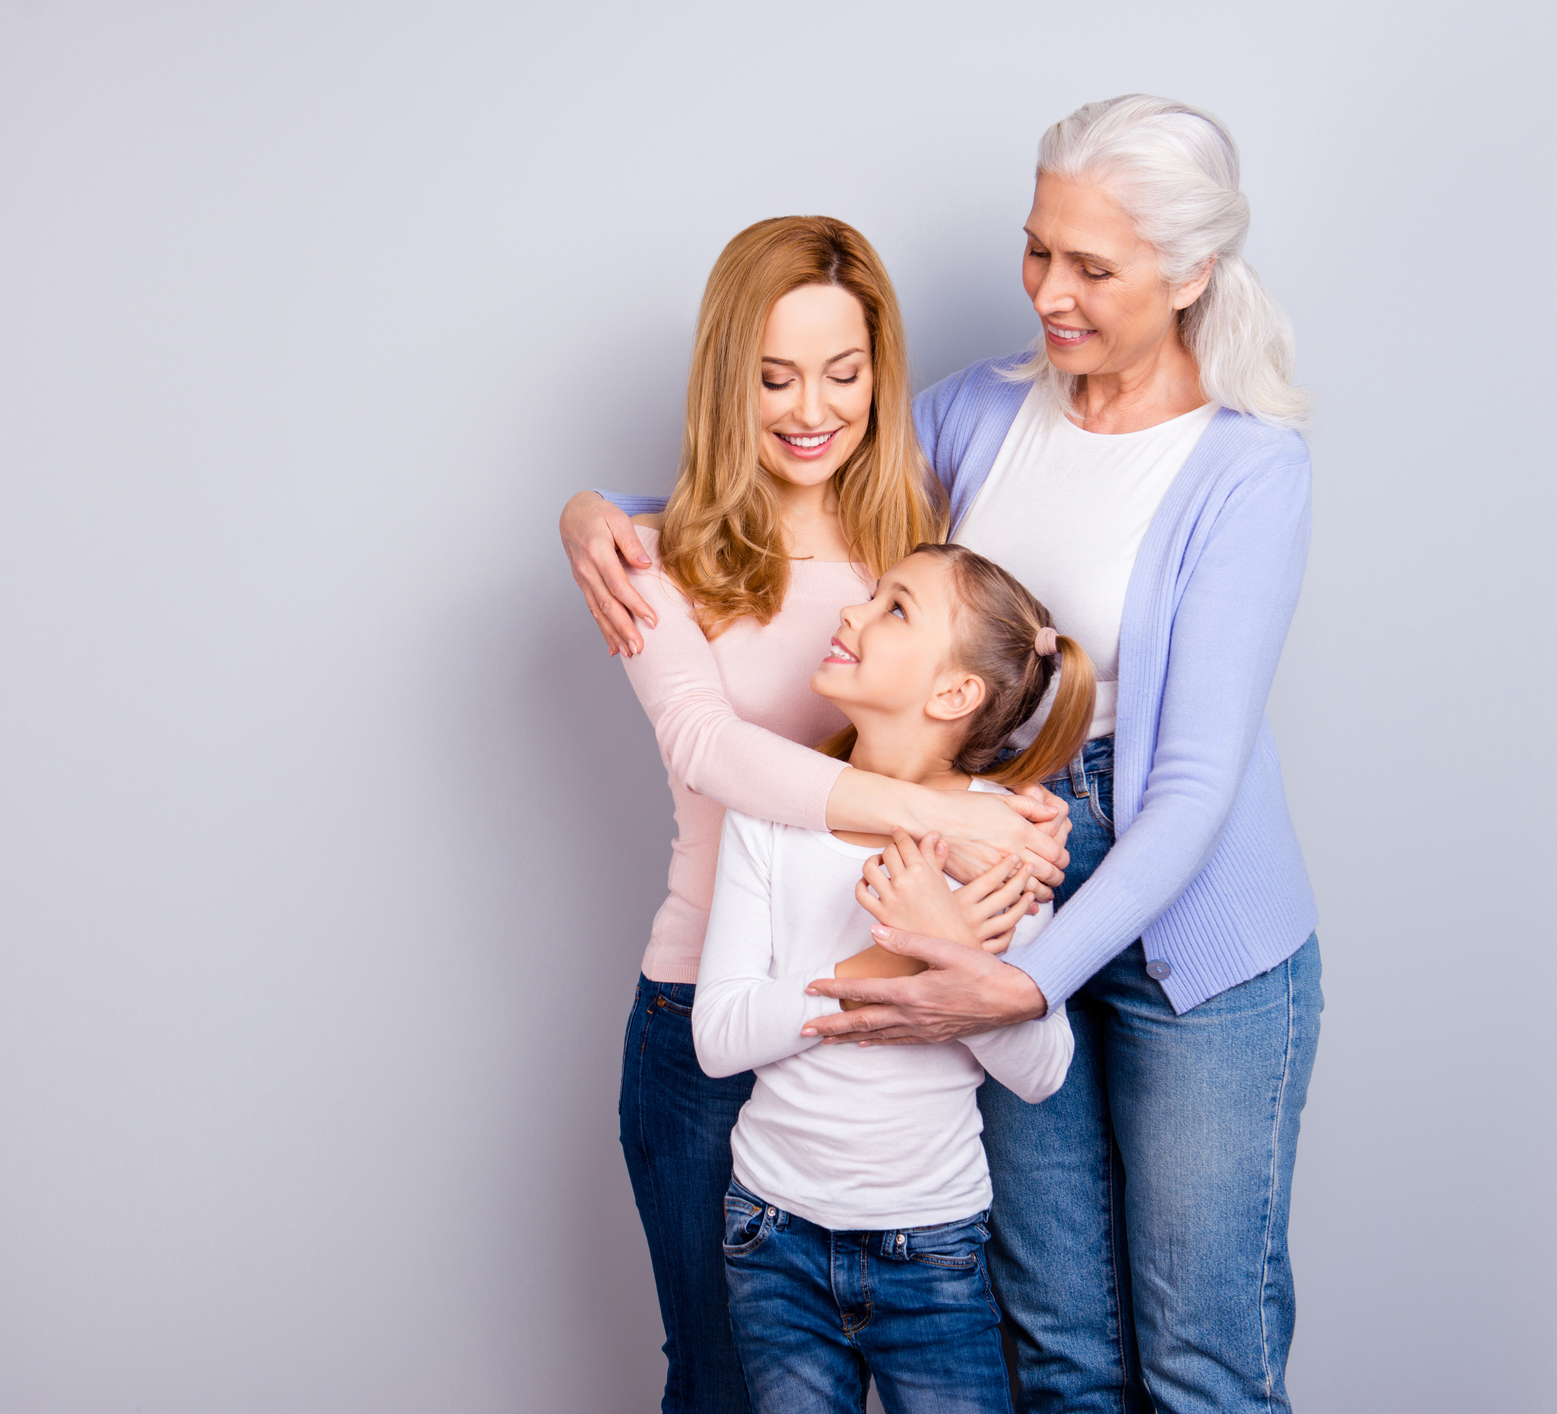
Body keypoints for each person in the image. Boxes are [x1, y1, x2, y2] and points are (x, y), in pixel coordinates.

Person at [564, 97, 1325, 1413]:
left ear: (1189, 272)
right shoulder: (980, 412)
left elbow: (1191, 788)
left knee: (1200, 1361)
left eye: (1091, 266)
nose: (1046, 291)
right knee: (1055, 1345)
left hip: (1170, 913)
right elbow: (785, 492)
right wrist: (601, 515)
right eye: (1038, 251)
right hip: (982, 857)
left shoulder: (1244, 470)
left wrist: (1017, 982)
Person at [604, 215, 1072, 1414]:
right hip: (705, 1014)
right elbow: (711, 750)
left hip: (917, 1049)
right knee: (714, 1385)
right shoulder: (656, 566)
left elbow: (988, 688)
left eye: (844, 371)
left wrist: (1014, 822)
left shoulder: (914, 547)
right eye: (773, 377)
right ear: (727, 383)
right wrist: (952, 838)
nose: (811, 406)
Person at [695, 542, 1092, 1414]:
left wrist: (964, 962)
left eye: (894, 609)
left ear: (954, 694)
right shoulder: (773, 814)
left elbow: (1041, 1071)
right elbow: (718, 1040)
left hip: (933, 1246)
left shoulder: (1001, 840)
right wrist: (895, 960)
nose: (850, 614)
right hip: (772, 1234)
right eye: (872, 597)